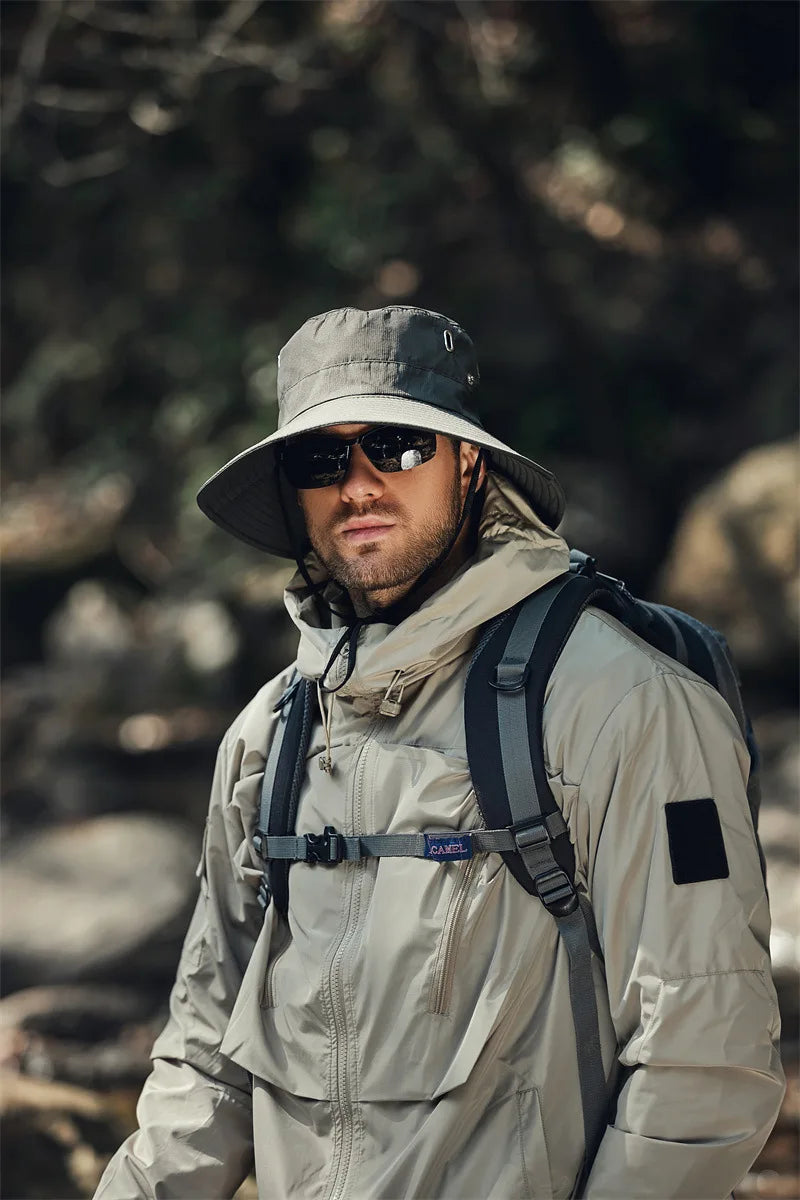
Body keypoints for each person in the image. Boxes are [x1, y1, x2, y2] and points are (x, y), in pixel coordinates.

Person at [95, 306, 784, 1199]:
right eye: (320, 458)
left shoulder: (620, 702)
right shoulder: (270, 736)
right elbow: (205, 1055)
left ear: (468, 461)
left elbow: (706, 1050)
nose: (359, 485)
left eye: (398, 444)